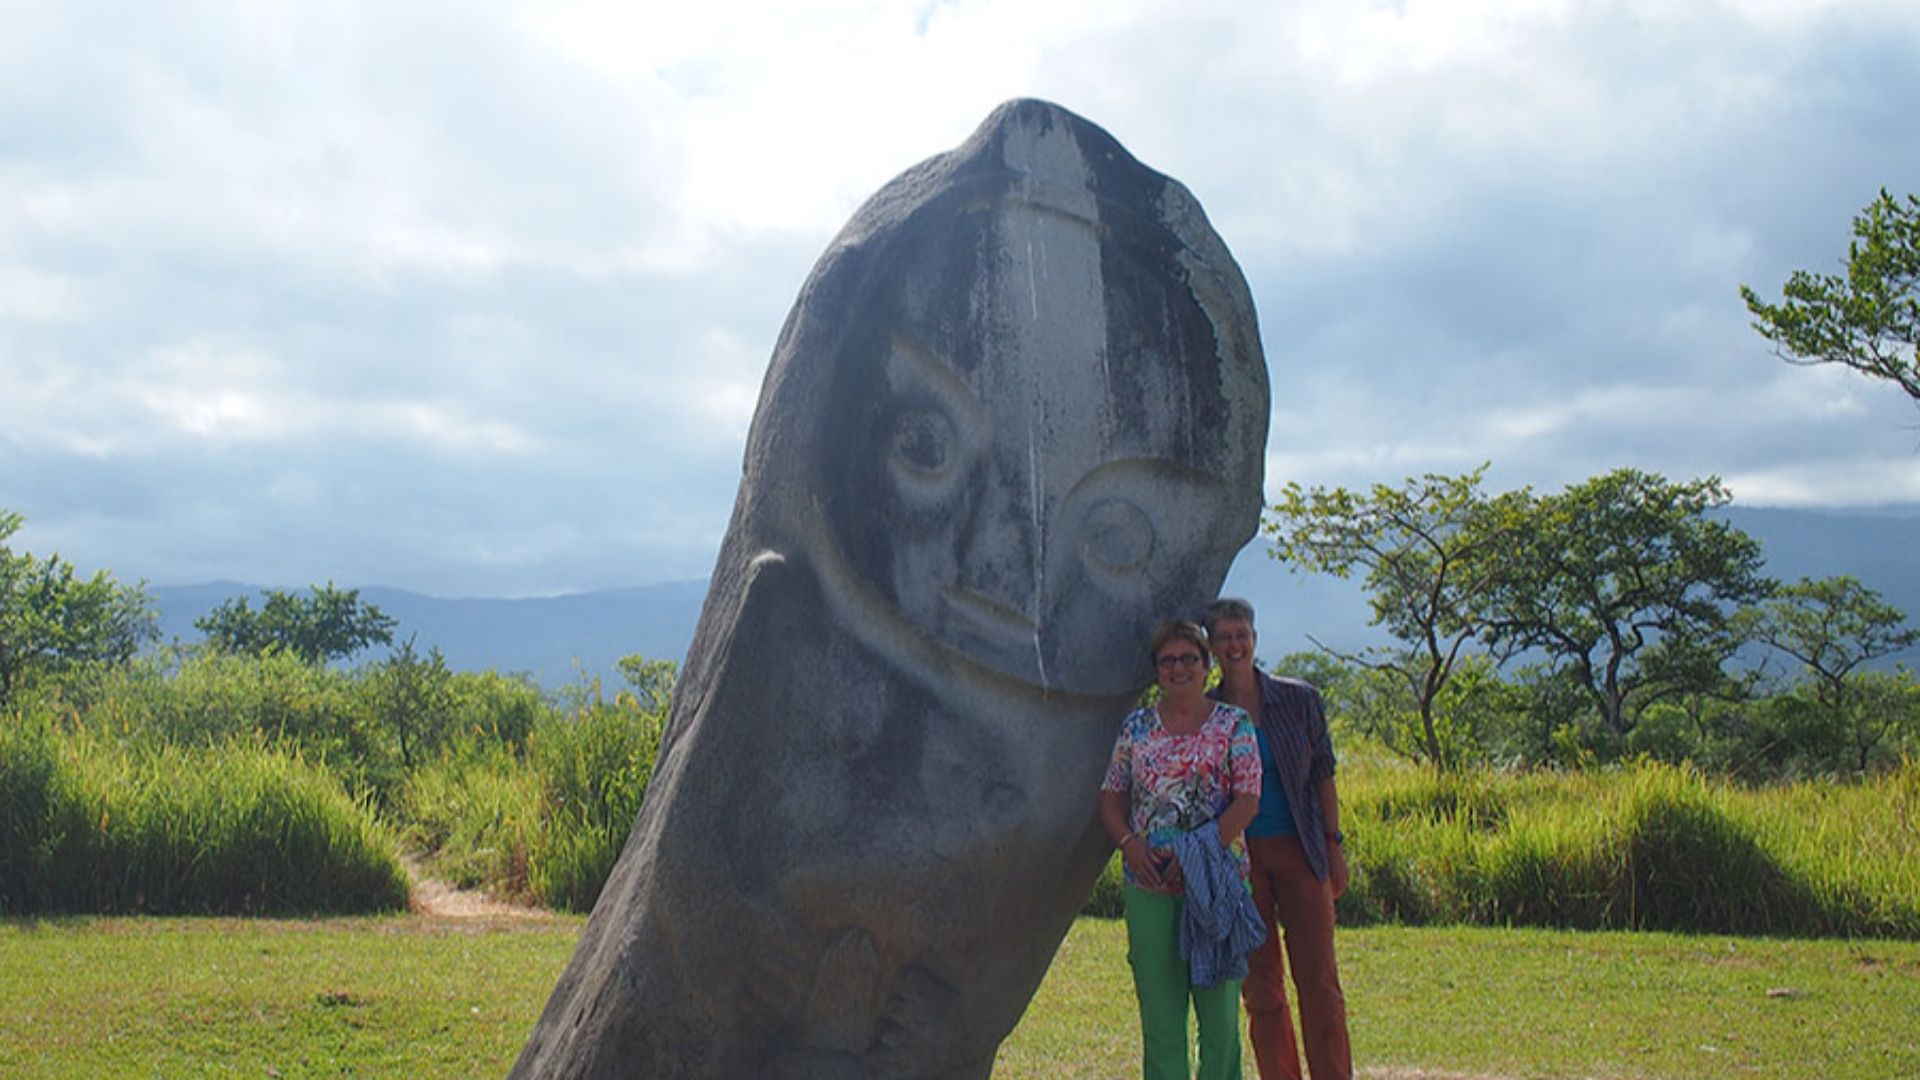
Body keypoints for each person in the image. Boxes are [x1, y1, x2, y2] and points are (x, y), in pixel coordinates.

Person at [1100, 619, 1264, 1080]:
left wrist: (1193, 856)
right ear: (1156, 670)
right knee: (1161, 1021)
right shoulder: (1137, 727)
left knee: (1219, 1024)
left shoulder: (1233, 724)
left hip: (1215, 885)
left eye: (1188, 658)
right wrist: (1130, 846)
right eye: (1167, 661)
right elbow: (1112, 794)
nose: (1178, 668)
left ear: (1207, 665)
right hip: (1150, 885)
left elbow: (1247, 800)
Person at [1203, 598, 1353, 1080]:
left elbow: (1323, 778)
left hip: (1301, 848)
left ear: (1255, 636)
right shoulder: (1208, 712)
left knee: (1320, 983)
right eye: (1224, 636)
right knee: (1261, 989)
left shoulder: (1298, 699)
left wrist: (1333, 845)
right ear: (1211, 645)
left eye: (1241, 633)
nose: (1234, 644)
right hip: (1240, 863)